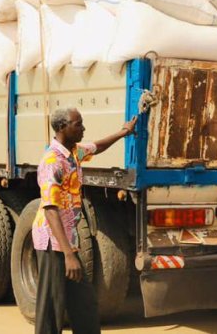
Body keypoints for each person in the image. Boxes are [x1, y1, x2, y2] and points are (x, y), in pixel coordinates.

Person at [32, 107, 137, 334]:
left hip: (69, 240)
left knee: (84, 304)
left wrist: (123, 132)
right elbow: (51, 209)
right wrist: (68, 254)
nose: (83, 128)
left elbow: (97, 146)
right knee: (51, 308)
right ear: (61, 128)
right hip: (52, 242)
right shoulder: (52, 161)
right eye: (77, 124)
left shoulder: (74, 153)